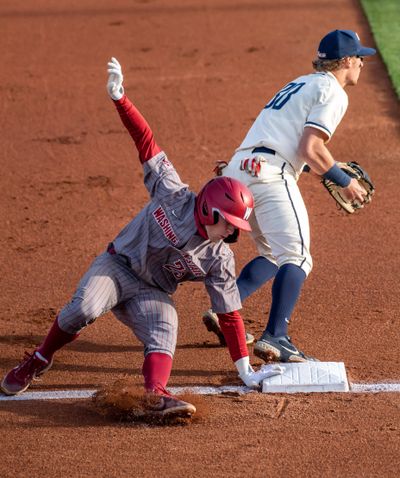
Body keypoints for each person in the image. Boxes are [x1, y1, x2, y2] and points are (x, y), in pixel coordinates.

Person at [1, 58, 283, 417]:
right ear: (209, 210)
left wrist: (244, 369)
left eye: (236, 226)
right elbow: (147, 142)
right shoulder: (173, 193)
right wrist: (121, 99)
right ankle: (39, 360)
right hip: (117, 268)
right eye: (229, 223)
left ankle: (155, 395)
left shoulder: (219, 259)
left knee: (166, 329)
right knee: (83, 309)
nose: (232, 231)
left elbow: (229, 315)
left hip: (151, 292)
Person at [202, 30, 376, 362]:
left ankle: (225, 310)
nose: (362, 65)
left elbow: (290, 145)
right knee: (297, 257)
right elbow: (310, 148)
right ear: (348, 60)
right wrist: (343, 181)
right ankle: (276, 337)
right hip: (269, 174)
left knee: (272, 253)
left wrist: (327, 165)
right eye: (360, 59)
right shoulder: (333, 92)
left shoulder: (300, 83)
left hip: (239, 169)